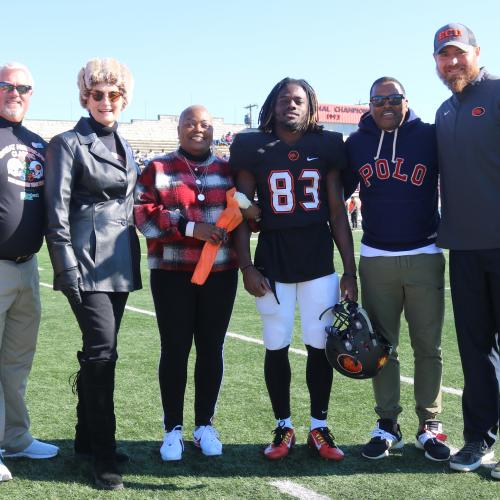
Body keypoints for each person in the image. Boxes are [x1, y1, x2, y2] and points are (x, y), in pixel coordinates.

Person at [230, 77, 357, 461]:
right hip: (272, 260)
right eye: (285, 99)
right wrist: (246, 266)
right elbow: (240, 210)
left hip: (318, 261)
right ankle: (283, 424)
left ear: (310, 105)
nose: (292, 105)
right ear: (273, 104)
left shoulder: (328, 145)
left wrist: (349, 270)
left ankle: (319, 426)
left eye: (299, 100)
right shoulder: (253, 145)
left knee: (319, 345)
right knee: (276, 343)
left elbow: (336, 212)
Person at [134, 105, 258, 462]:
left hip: (220, 274)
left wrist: (253, 212)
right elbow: (142, 214)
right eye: (190, 123)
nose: (197, 129)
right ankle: (172, 427)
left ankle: (204, 424)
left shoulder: (228, 169)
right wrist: (190, 227)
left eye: (204, 124)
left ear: (213, 129)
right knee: (174, 348)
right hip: (172, 273)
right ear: (178, 128)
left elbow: (247, 217)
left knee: (211, 348)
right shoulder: (158, 167)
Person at [45, 58, 141, 490]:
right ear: (85, 97)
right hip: (84, 263)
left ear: (124, 99)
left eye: (114, 94)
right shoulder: (67, 143)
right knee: (103, 354)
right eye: (98, 94)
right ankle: (102, 453)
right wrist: (66, 270)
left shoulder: (125, 143)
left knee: (100, 351)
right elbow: (56, 212)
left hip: (118, 263)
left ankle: (86, 437)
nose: (107, 101)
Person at [344, 77, 449, 462]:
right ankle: (388, 422)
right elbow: (334, 194)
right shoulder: (356, 143)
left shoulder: (429, 136)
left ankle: (430, 423)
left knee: (428, 345)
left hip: (425, 250)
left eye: (393, 98)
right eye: (378, 100)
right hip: (375, 256)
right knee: (381, 347)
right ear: (369, 105)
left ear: (407, 100)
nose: (386, 105)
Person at [433, 23, 500, 479]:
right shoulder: (443, 110)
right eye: (443, 55)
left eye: (459, 53)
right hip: (465, 247)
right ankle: (480, 438)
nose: (452, 61)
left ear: (477, 53)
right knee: (475, 351)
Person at [0, 62, 59, 482]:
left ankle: (16, 438)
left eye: (23, 87)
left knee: (17, 361)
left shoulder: (39, 143)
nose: (14, 93)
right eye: (6, 85)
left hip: (27, 268)